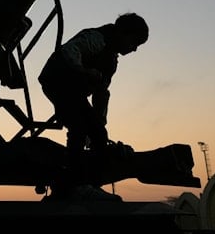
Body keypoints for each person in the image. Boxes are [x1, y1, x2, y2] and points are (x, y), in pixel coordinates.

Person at [38, 12, 149, 195]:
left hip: (74, 92)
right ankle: (75, 183)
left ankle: (89, 183)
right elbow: (70, 51)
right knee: (79, 127)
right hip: (58, 81)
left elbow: (101, 93)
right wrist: (84, 71)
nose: (134, 49)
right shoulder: (97, 38)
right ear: (123, 33)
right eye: (134, 42)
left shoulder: (111, 61)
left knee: (97, 132)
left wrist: (99, 122)